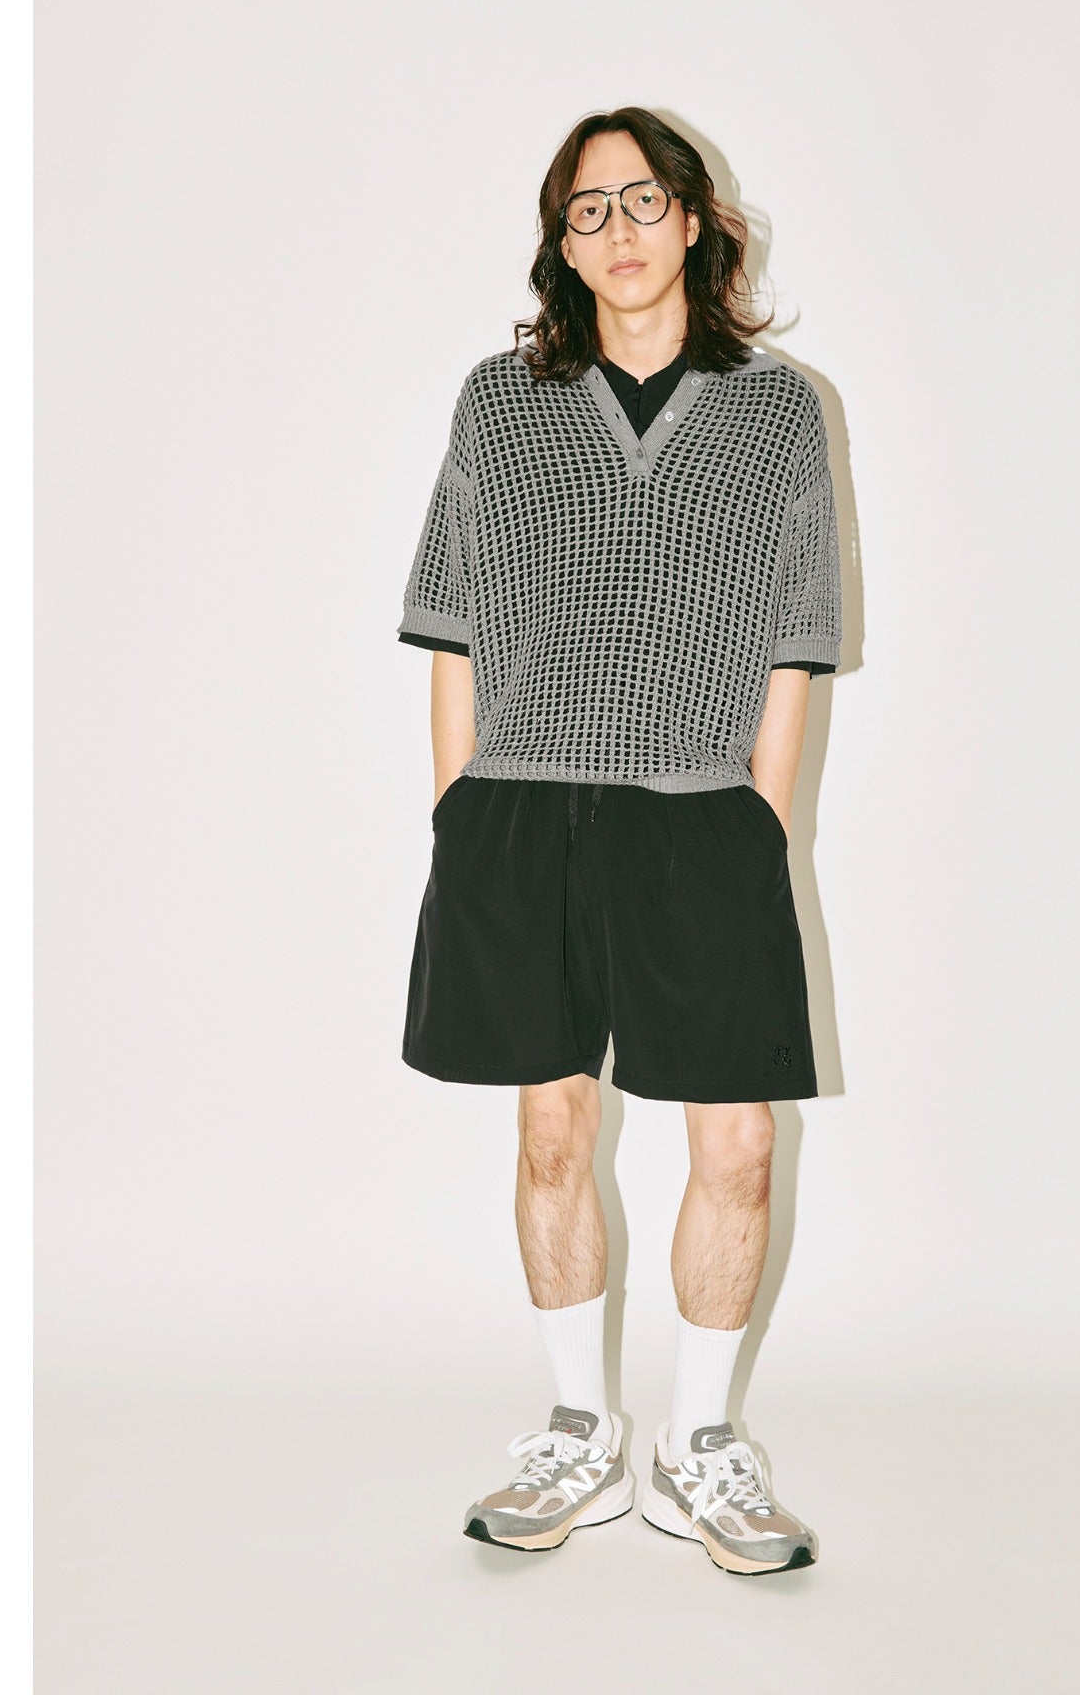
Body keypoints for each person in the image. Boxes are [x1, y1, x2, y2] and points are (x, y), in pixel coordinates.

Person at [397, 107, 842, 1576]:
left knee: (740, 1142)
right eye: (587, 210)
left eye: (643, 200)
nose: (619, 230)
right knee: (551, 1126)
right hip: (523, 807)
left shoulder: (780, 410)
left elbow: (795, 641)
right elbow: (450, 620)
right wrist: (459, 812)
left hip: (702, 812)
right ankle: (579, 1431)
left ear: (695, 221)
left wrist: (759, 825)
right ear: (562, 242)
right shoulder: (499, 400)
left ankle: (700, 1446)